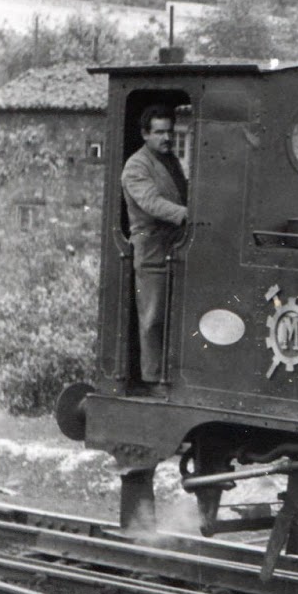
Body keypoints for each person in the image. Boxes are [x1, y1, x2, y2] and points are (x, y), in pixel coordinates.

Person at [121, 106, 188, 385]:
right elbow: (150, 203)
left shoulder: (170, 161)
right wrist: (184, 214)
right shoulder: (136, 166)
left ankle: (169, 378)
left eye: (169, 132)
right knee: (152, 317)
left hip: (174, 242)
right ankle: (151, 380)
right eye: (159, 132)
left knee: (174, 314)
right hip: (150, 247)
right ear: (145, 134)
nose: (167, 138)